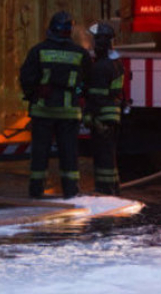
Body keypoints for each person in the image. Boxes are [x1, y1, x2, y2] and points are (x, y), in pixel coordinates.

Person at [19, 11, 92, 199]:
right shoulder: (80, 54)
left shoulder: (38, 51)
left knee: (39, 156)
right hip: (69, 114)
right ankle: (71, 193)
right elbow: (88, 82)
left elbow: (26, 79)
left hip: (43, 112)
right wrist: (78, 94)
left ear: (51, 29)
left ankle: (35, 194)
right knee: (69, 155)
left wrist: (34, 93)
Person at [84, 22, 125, 195]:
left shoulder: (100, 67)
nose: (92, 45)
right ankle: (112, 187)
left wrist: (88, 115)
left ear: (101, 43)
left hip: (102, 118)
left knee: (103, 158)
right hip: (112, 115)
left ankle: (105, 190)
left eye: (94, 41)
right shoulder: (116, 64)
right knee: (109, 155)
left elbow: (96, 97)